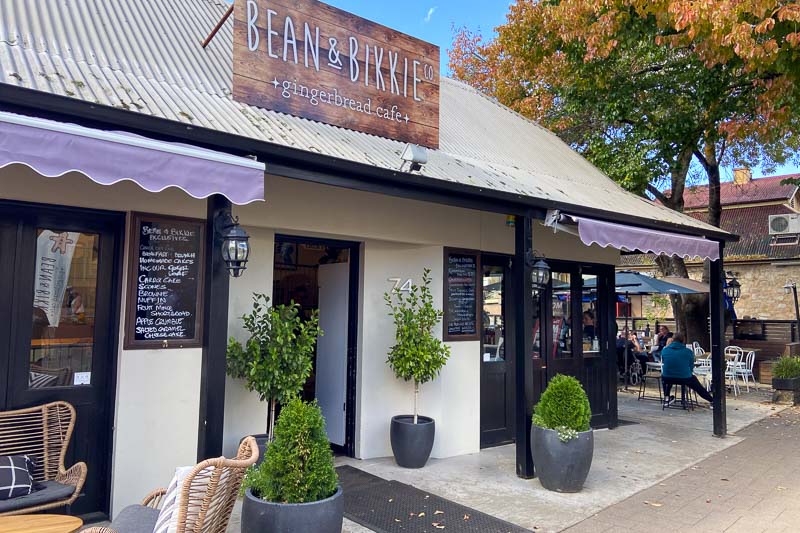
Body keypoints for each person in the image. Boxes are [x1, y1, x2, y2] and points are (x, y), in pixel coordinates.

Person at [660, 332, 714, 407]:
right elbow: (691, 366)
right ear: (683, 340)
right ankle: (711, 400)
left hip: (667, 377)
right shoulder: (688, 352)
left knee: (667, 377)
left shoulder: (665, 350)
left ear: (672, 340)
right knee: (697, 385)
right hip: (684, 377)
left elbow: (665, 361)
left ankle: (666, 397)